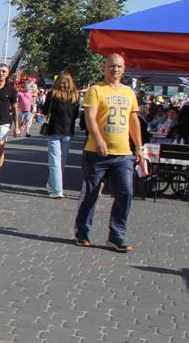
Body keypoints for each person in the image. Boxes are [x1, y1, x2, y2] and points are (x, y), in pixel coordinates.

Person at [73, 53, 142, 252]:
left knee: (126, 193)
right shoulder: (96, 90)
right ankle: (82, 232)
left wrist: (138, 146)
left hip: (123, 154)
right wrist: (99, 140)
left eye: (119, 66)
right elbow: (90, 117)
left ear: (124, 69)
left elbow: (133, 120)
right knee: (91, 194)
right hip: (96, 153)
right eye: (111, 66)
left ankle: (116, 235)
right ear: (104, 68)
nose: (115, 70)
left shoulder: (129, 92)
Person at [42, 71, 80, 199]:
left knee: (54, 160)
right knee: (62, 160)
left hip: (54, 129)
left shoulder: (53, 94)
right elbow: (75, 115)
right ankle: (52, 183)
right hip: (68, 130)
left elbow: (46, 110)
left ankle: (57, 190)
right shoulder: (75, 96)